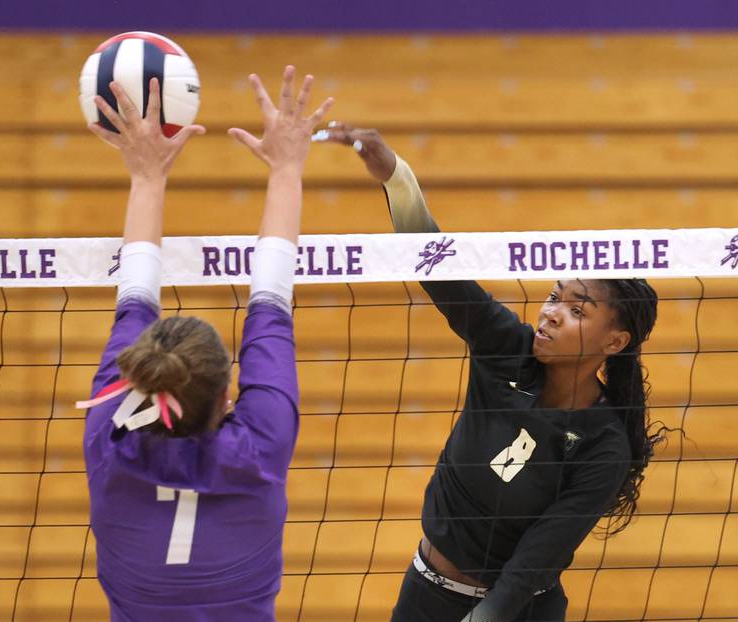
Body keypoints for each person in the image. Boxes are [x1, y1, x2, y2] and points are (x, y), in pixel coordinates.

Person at [319, 124, 665, 622]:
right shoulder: (507, 349)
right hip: (423, 593)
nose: (551, 313)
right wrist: (396, 177)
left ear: (614, 342)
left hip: (515, 611)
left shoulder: (604, 446)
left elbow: (533, 563)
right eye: (554, 296)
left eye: (577, 310)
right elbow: (442, 274)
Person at [76, 67, 332, 621]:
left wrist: (147, 177)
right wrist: (288, 168)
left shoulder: (111, 437)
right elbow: (266, 306)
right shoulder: (255, 447)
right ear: (226, 397)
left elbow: (268, 307)